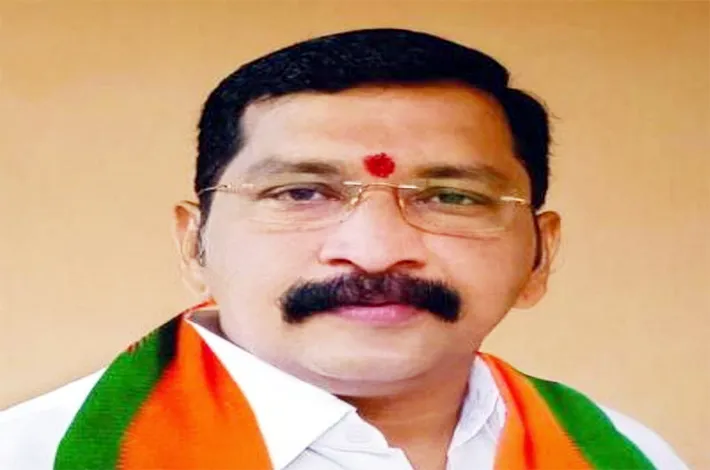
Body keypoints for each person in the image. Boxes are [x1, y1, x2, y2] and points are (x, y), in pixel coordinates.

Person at [0, 28, 688, 470]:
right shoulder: (32, 454)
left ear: (540, 254)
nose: (376, 251)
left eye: (451, 197)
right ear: (194, 243)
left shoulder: (630, 455)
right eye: (301, 193)